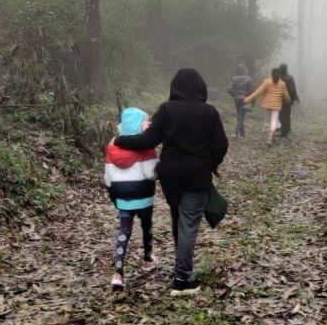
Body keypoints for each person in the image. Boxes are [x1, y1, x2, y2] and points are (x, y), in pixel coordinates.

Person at [114, 69, 229, 296]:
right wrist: (210, 163)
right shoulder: (209, 113)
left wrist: (120, 140)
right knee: (188, 224)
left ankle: (181, 267)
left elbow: (149, 139)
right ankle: (182, 279)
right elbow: (221, 144)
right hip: (197, 176)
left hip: (170, 176)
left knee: (179, 218)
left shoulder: (167, 110)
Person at [104, 108, 159, 290]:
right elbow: (151, 174)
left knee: (124, 231)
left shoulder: (112, 148)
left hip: (123, 197)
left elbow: (107, 179)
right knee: (146, 227)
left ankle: (118, 273)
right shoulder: (146, 148)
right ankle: (147, 258)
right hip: (143, 196)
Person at [244, 68, 291, 145]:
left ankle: (270, 137)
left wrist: (248, 99)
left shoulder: (267, 82)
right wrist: (288, 101)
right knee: (274, 121)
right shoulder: (282, 84)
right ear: (279, 75)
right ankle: (270, 137)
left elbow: (257, 92)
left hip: (268, 105)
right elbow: (286, 96)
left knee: (270, 121)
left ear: (271, 74)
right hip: (276, 106)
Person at [227, 64, 254, 138]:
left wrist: (234, 95)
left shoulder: (234, 78)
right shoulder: (249, 79)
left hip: (236, 99)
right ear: (245, 70)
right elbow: (252, 91)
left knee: (239, 115)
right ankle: (236, 132)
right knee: (241, 116)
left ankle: (242, 133)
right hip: (245, 99)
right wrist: (251, 102)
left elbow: (229, 89)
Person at [277, 63, 299, 138]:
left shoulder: (277, 78)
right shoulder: (290, 78)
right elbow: (293, 89)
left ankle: (283, 129)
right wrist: (295, 98)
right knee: (286, 115)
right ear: (286, 70)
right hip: (287, 99)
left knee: (280, 114)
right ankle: (285, 131)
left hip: (278, 99)